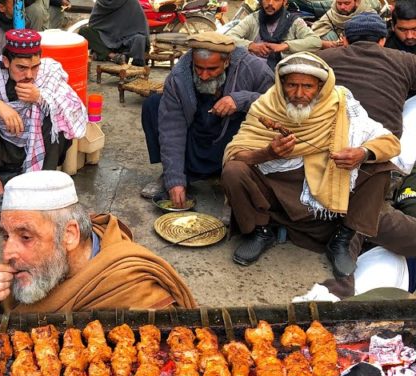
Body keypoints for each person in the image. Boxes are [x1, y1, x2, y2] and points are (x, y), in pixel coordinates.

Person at [222, 53, 400, 278]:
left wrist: (362, 153)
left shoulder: (341, 104)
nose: (298, 94)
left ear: (321, 87)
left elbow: (389, 141)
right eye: (292, 85)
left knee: (381, 167)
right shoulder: (266, 105)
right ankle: (260, 230)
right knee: (233, 171)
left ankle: (343, 238)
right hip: (279, 185)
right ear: (281, 84)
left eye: (307, 86)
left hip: (328, 176)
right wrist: (267, 153)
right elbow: (236, 152)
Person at [0, 170, 197, 313]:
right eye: (5, 236)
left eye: (26, 237)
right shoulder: (25, 272)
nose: (7, 253)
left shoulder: (134, 288)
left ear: (69, 235)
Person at [0, 29, 87, 219]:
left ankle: (41, 186)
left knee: (56, 119)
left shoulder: (50, 71)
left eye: (34, 67)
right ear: (6, 62)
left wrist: (40, 97)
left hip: (35, 147)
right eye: (21, 67)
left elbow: (73, 109)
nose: (29, 74)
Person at [139, 32, 274, 207]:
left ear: (227, 62)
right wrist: (175, 180)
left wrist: (241, 100)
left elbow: (276, 104)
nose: (203, 75)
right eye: (198, 68)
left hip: (231, 137)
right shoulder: (179, 75)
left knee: (250, 122)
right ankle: (174, 174)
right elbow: (172, 128)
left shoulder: (253, 68)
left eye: (212, 69)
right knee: (153, 105)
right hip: (196, 132)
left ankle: (233, 181)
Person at [320, 12, 416, 138]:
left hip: (332, 140)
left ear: (345, 40)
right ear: (382, 41)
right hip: (386, 144)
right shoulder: (408, 60)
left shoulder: (322, 59)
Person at [226, 0, 322, 68]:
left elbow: (315, 41)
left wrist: (285, 46)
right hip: (250, 67)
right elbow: (228, 37)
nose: (270, 3)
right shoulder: (253, 18)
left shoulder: (295, 22)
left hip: (281, 71)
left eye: (276, 0)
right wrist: (250, 45)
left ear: (284, 2)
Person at [79, 0, 150, 66]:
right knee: (84, 31)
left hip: (125, 40)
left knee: (139, 38)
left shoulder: (131, 1)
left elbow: (140, 26)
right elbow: (94, 23)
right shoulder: (102, 2)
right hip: (105, 38)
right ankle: (113, 56)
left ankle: (104, 53)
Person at [311, 0, 376, 48]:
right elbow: (313, 35)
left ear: (356, 2)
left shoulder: (368, 14)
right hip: (335, 50)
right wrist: (328, 44)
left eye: (347, 3)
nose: (342, 7)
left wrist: (349, 39)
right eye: (339, 3)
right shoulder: (331, 14)